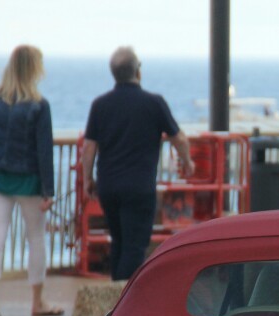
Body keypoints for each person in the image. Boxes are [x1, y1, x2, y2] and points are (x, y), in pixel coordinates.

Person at [81, 46, 194, 281]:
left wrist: (88, 179)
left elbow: (89, 146)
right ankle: (122, 300)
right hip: (139, 187)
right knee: (134, 246)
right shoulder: (154, 103)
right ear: (138, 71)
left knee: (119, 242)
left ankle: (116, 299)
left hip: (108, 187)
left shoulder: (100, 105)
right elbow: (179, 138)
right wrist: (188, 163)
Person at [0, 44, 60, 316]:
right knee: (35, 238)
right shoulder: (39, 105)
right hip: (28, 181)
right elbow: (44, 150)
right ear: (34, 69)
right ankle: (37, 302)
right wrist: (49, 190)